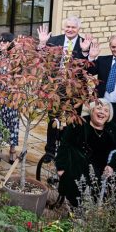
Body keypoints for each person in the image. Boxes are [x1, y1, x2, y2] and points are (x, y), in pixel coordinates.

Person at [38, 17, 91, 158]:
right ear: (64, 27)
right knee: (53, 119)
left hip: (75, 91)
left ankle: (67, 149)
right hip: (55, 88)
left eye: (73, 27)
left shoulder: (85, 44)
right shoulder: (54, 40)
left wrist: (85, 53)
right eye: (68, 26)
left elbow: (89, 69)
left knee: (71, 121)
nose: (70, 29)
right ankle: (50, 150)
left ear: (78, 29)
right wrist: (42, 44)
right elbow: (42, 60)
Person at [56, 99, 116, 207]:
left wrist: (112, 165)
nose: (102, 112)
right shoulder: (78, 124)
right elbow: (65, 145)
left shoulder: (113, 129)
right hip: (81, 164)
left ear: (109, 115)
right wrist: (61, 168)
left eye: (106, 110)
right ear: (91, 110)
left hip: (105, 165)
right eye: (99, 108)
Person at [0, 32, 19, 163]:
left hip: (12, 96)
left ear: (11, 43)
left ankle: (12, 150)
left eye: (6, 41)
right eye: (0, 41)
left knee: (12, 123)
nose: (2, 43)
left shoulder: (16, 57)